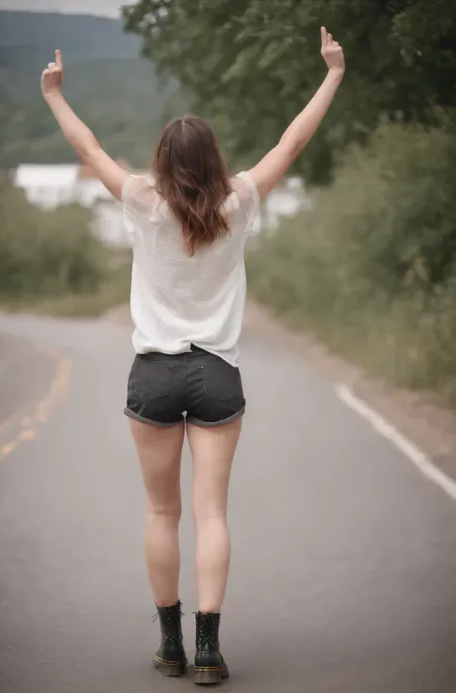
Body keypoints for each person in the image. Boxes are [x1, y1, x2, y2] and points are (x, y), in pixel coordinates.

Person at [41, 26, 344, 686]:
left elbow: (86, 144)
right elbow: (292, 141)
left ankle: (170, 646)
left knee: (160, 512)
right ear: (212, 159)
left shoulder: (140, 201)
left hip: (152, 371)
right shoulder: (239, 201)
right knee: (211, 513)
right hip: (216, 372)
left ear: (161, 159)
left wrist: (55, 96)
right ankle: (209, 651)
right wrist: (332, 74)